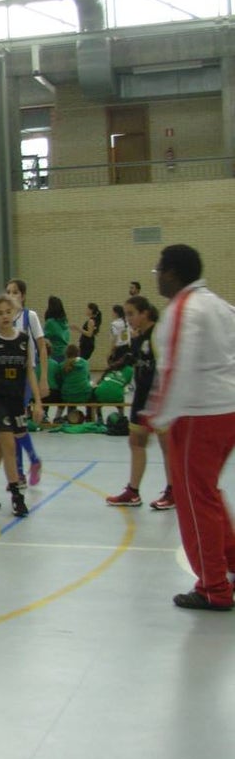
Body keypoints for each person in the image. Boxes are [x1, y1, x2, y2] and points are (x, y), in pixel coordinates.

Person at [143, 244, 235, 611]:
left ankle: (213, 587)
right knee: (207, 494)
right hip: (226, 411)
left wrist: (156, 417)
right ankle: (228, 567)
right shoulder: (219, 304)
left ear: (172, 273)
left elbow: (174, 369)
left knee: (194, 502)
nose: (157, 276)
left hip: (199, 416)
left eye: (158, 270)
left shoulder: (184, 308)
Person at [0, 293, 44, 518]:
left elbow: (29, 371)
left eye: (7, 312)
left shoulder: (23, 340)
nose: (4, 316)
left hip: (17, 400)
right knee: (9, 445)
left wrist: (38, 401)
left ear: (14, 313)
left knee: (0, 449)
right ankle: (17, 497)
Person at [105, 296, 173, 509]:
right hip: (141, 398)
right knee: (136, 442)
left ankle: (174, 491)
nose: (128, 319)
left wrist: (162, 399)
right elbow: (135, 359)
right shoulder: (137, 336)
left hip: (159, 398)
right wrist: (116, 364)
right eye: (126, 315)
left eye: (131, 314)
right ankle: (133, 492)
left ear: (145, 313)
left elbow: (166, 367)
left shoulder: (158, 334)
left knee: (167, 446)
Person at [5, 279, 48, 486]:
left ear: (22, 295)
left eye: (15, 292)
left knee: (17, 422)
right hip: (7, 377)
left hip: (26, 375)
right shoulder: (4, 318)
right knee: (13, 426)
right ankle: (30, 461)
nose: (11, 295)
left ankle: (21, 471)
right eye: (8, 292)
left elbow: (42, 347)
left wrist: (43, 378)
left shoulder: (29, 316)